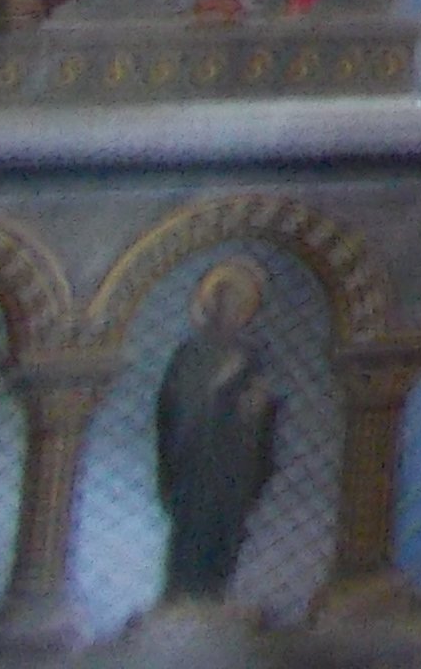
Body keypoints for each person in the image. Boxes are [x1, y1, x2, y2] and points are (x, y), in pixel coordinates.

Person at [154, 259, 285, 604]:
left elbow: (262, 407)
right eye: (224, 302)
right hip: (195, 458)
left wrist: (259, 408)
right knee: (193, 526)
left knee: (226, 528)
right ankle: (183, 591)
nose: (230, 311)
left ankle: (216, 591)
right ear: (211, 305)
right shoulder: (190, 353)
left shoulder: (252, 356)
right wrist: (213, 391)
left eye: (237, 305)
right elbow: (173, 405)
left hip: (234, 461)